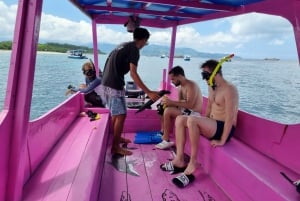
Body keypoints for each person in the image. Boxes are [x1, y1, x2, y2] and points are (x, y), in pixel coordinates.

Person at [160, 59, 239, 188]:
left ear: (215, 73)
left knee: (192, 120)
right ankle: (179, 159)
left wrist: (222, 141)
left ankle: (193, 162)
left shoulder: (230, 89)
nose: (204, 79)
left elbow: (230, 118)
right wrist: (204, 121)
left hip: (224, 128)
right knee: (180, 119)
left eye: (205, 75)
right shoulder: (212, 87)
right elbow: (208, 109)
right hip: (212, 124)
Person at [101, 27, 160, 156]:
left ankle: (117, 138)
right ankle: (115, 147)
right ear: (144, 40)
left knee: (118, 114)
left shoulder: (124, 45)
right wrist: (149, 92)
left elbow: (109, 62)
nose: (145, 44)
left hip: (108, 82)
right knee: (120, 115)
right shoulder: (134, 49)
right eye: (146, 42)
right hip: (113, 83)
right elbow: (133, 74)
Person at [155, 66, 203, 150]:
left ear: (180, 76)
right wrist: (168, 102)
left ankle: (165, 139)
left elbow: (190, 104)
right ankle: (162, 132)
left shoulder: (191, 85)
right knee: (162, 107)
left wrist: (172, 103)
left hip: (194, 114)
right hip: (186, 111)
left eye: (173, 79)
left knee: (168, 111)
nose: (172, 82)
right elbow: (181, 104)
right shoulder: (181, 87)